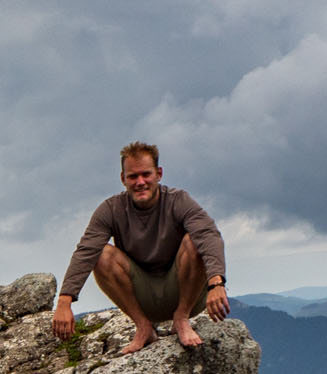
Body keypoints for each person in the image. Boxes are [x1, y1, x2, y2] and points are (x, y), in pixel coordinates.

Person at [51, 142, 229, 355]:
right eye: (133, 176)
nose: (140, 182)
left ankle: (181, 319)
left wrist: (216, 282)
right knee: (101, 254)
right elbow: (86, 250)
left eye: (146, 174)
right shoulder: (110, 209)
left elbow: (208, 234)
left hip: (186, 293)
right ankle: (143, 327)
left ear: (159, 173)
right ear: (123, 179)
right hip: (142, 295)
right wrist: (64, 300)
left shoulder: (178, 201)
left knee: (194, 241)